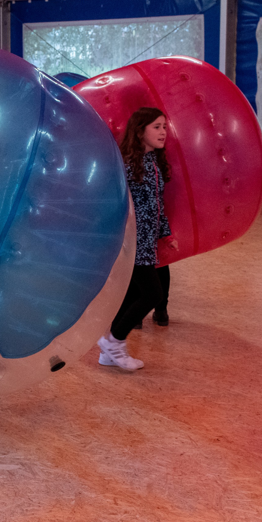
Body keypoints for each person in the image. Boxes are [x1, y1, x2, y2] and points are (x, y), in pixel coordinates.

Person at [97, 107, 171, 372]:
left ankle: (109, 349)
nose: (163, 132)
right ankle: (114, 342)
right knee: (152, 293)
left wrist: (165, 234)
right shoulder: (128, 165)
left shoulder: (153, 163)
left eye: (164, 127)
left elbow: (156, 204)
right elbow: (110, 202)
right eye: (156, 127)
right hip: (131, 243)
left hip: (147, 243)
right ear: (140, 131)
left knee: (133, 293)